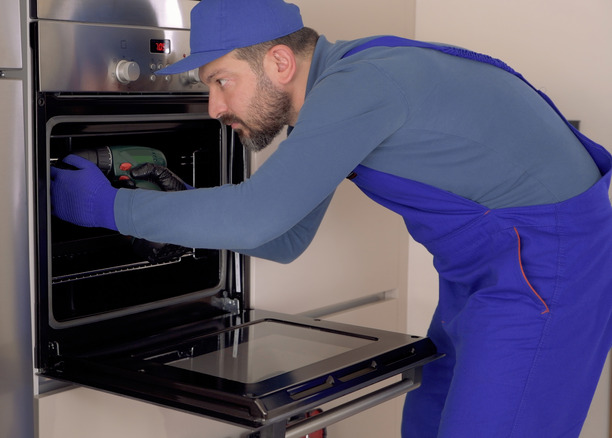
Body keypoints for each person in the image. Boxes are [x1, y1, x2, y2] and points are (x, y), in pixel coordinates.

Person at [49, 0, 612, 436]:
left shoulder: (361, 86)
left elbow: (255, 220)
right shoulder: (336, 91)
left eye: (221, 81)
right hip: (484, 270)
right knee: (430, 423)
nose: (214, 108)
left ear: (279, 61)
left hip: (546, 266)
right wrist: (180, 207)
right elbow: (286, 237)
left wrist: (113, 209)